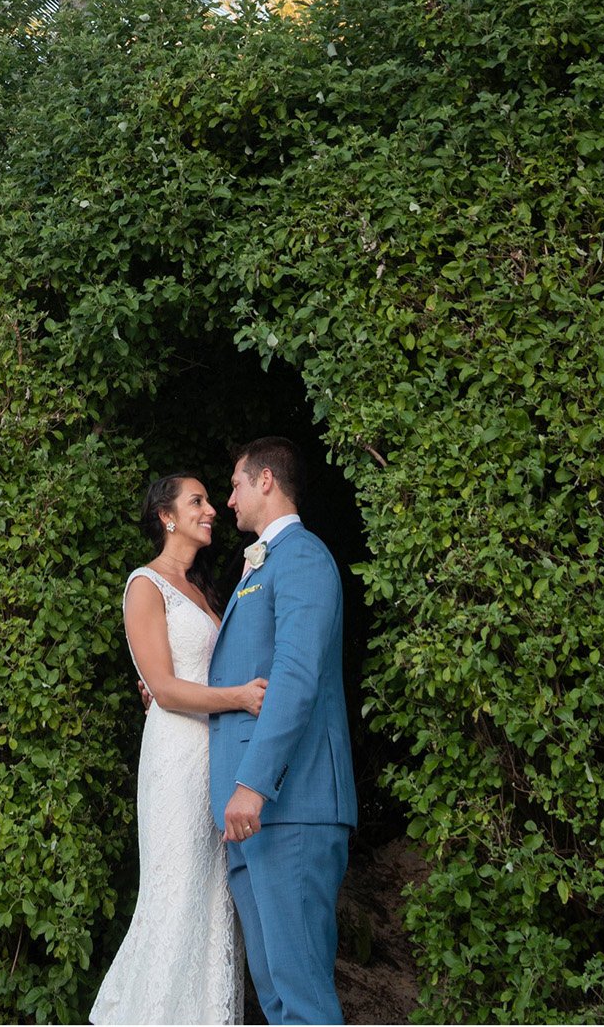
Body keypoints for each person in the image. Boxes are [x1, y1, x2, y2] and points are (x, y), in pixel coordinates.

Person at [90, 475, 269, 1026]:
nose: (212, 509)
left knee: (213, 904)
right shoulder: (146, 585)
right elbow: (164, 687)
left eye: (211, 500)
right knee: (175, 898)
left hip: (214, 757)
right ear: (166, 517)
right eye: (197, 501)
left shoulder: (203, 589)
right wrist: (238, 698)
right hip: (175, 760)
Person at [207, 438, 358, 1027]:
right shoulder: (261, 565)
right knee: (276, 1002)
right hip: (253, 821)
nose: (230, 498)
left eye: (237, 483)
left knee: (302, 1002)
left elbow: (295, 675)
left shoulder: (301, 557)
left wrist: (253, 784)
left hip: (289, 805)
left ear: (266, 480)